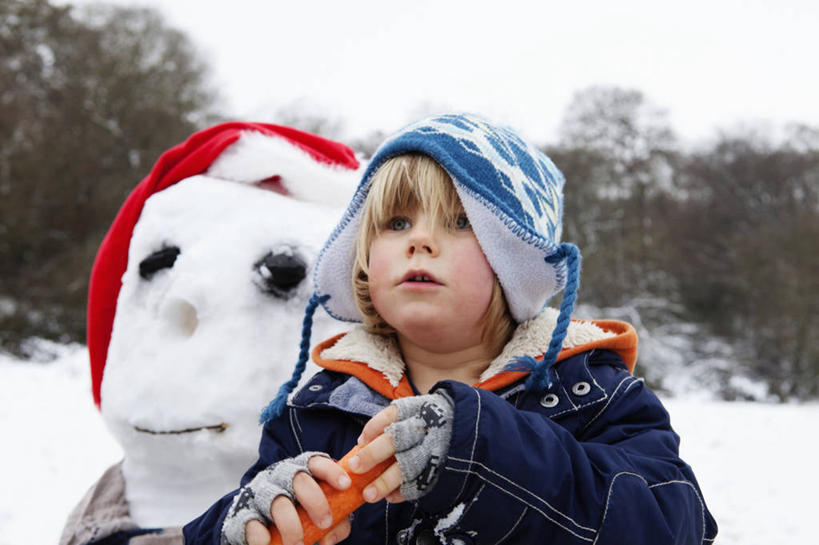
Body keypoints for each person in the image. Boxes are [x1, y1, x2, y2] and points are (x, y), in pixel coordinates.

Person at [183, 113, 718, 545]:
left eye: (460, 223)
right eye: (397, 223)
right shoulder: (317, 411)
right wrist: (241, 524)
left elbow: (676, 521)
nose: (420, 241)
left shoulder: (588, 393)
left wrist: (483, 452)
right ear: (364, 259)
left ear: (515, 262)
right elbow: (243, 519)